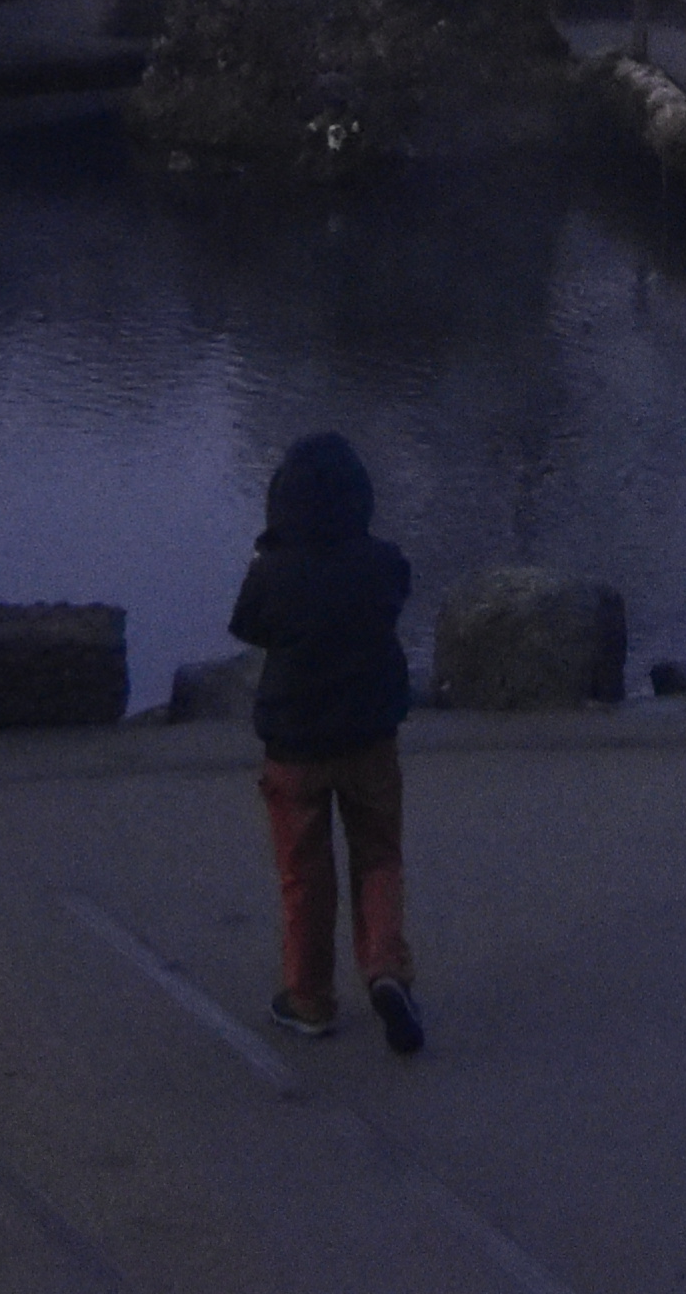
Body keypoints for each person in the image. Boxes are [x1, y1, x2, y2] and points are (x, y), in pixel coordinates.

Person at [225, 430, 421, 1054]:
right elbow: (395, 598)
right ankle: (387, 969)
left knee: (304, 874)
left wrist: (272, 552)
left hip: (296, 745)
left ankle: (309, 998)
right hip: (370, 736)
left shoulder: (273, 574)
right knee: (379, 857)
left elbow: (248, 627)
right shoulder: (383, 563)